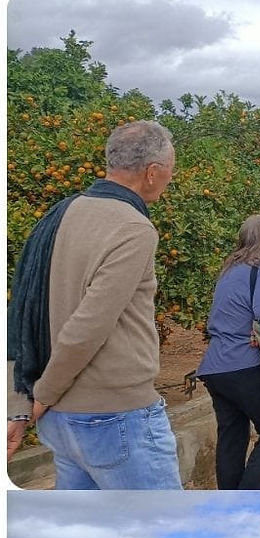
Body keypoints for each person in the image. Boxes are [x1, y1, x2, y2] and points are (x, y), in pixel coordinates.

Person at [7, 120, 182, 488]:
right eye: (170, 170)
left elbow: (19, 312)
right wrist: (41, 397)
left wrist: (18, 405)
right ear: (152, 172)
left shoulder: (58, 215)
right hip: (115, 418)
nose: (170, 179)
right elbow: (87, 327)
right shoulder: (134, 228)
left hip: (62, 423)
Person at [196, 215, 260, 490]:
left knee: (232, 437)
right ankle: (250, 500)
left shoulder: (229, 270)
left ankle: (230, 507)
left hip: (216, 367)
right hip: (245, 365)